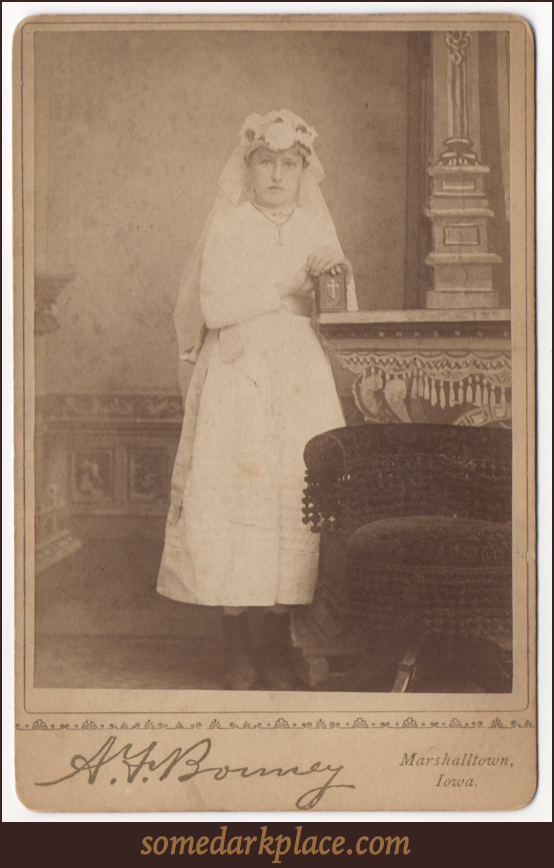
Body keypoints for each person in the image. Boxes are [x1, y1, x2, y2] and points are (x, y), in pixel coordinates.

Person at [156, 109, 357, 689]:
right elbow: (216, 308)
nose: (276, 175)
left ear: (303, 171)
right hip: (239, 374)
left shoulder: (316, 229)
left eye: (288, 165)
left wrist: (332, 277)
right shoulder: (230, 224)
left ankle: (280, 642)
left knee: (289, 496)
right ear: (249, 167)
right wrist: (285, 286)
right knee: (236, 495)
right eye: (265, 163)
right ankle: (237, 642)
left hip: (297, 375)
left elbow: (341, 316)